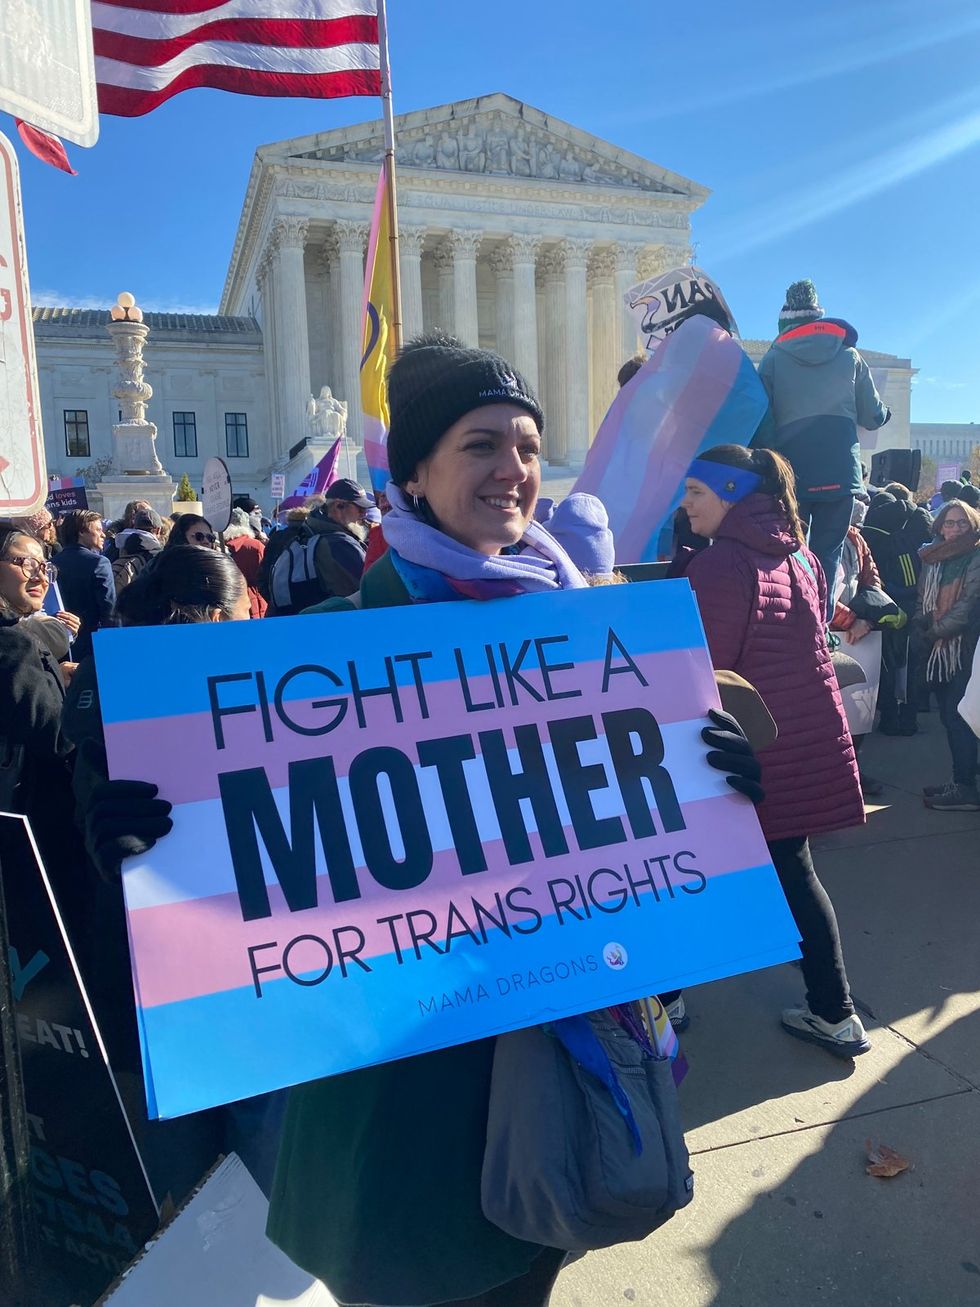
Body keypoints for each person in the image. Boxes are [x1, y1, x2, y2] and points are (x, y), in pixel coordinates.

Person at [266, 333, 763, 1307]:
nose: (514, 469)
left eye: (528, 446)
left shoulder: (588, 631)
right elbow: (234, 871)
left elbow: (636, 848)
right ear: (412, 470)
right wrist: (143, 835)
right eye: (480, 442)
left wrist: (711, 787)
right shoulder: (321, 654)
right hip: (396, 1103)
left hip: (554, 1077)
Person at [62, 547, 285, 1204]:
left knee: (244, 1202)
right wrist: (106, 836)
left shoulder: (273, 695)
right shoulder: (118, 702)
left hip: (262, 993)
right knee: (196, 1206)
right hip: (173, 1001)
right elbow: (89, 804)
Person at [678, 444, 870, 1057]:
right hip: (800, 743)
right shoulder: (801, 554)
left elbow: (700, 672)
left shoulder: (719, 565)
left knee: (682, 873)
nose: (685, 504)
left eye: (696, 492)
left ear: (731, 493)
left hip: (738, 753)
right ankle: (835, 1013)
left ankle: (664, 1000)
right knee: (795, 872)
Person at [754, 279, 890, 615]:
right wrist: (884, 414)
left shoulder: (772, 359)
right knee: (829, 551)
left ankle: (788, 620)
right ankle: (821, 626)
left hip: (792, 470)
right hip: (840, 470)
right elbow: (873, 416)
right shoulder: (850, 355)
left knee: (789, 548)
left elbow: (761, 415)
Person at [0, 522, 89, 940]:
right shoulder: (13, 644)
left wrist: (54, 676)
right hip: (29, 823)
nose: (39, 576)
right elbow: (56, 738)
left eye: (43, 566)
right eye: (23, 563)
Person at [915, 500, 980, 811]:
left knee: (960, 717)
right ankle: (962, 779)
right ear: (939, 526)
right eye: (950, 523)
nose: (955, 529)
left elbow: (966, 608)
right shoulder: (930, 556)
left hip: (964, 647)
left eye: (962, 523)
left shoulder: (976, 555)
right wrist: (922, 625)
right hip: (938, 647)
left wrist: (932, 633)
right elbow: (922, 600)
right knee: (948, 714)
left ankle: (966, 786)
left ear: (972, 526)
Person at [862, 489, 931, 734]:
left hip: (883, 610)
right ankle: (909, 719)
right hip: (913, 609)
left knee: (887, 666)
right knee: (910, 666)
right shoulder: (913, 536)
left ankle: (889, 718)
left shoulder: (875, 538)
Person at [267, 479, 371, 615]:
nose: (364, 514)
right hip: (337, 624)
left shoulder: (307, 533)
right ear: (339, 506)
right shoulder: (339, 543)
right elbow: (368, 590)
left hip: (305, 623)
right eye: (360, 508)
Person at [54, 509, 116, 660]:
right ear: (82, 532)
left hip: (59, 643)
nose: (103, 535)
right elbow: (110, 609)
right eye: (98, 530)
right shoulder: (99, 563)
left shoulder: (52, 562)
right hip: (92, 645)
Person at [223, 506, 268, 618]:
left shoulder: (217, 544)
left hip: (227, 600)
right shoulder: (255, 546)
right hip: (253, 601)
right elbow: (265, 578)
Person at [111, 507, 165, 594]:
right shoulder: (158, 554)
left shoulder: (117, 547)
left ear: (135, 527)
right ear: (158, 530)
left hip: (120, 600)